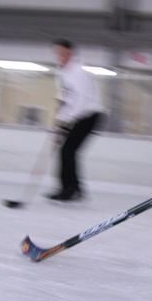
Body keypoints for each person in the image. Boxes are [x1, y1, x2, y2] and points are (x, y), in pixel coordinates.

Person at [49, 39, 105, 202]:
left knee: (67, 150)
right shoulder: (62, 73)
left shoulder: (78, 72)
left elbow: (80, 101)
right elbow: (64, 99)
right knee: (67, 151)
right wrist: (59, 120)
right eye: (56, 53)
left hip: (89, 115)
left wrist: (65, 121)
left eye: (61, 53)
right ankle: (72, 188)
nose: (58, 56)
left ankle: (70, 190)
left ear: (70, 53)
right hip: (76, 116)